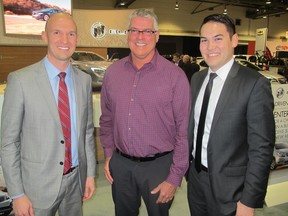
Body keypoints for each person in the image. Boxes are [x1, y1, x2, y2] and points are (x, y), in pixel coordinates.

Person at [0, 13, 96, 216]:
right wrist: (17, 194)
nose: (65, 40)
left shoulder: (84, 81)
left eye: (71, 34)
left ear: (77, 39)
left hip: (75, 181)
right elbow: (9, 142)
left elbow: (87, 133)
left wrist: (89, 175)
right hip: (36, 189)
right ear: (44, 36)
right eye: (57, 33)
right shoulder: (20, 80)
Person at [100, 8, 190, 216]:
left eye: (147, 31)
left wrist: (174, 178)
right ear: (128, 34)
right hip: (121, 165)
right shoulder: (113, 73)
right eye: (134, 30)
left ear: (157, 36)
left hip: (159, 167)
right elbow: (107, 118)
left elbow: (184, 131)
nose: (140, 37)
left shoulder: (175, 76)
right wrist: (108, 155)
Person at [187, 14, 275, 216]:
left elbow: (261, 148)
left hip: (232, 190)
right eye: (204, 40)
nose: (210, 47)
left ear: (234, 40)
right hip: (196, 180)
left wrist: (248, 200)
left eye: (218, 38)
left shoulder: (254, 84)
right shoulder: (197, 79)